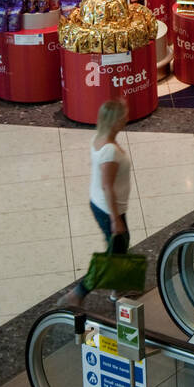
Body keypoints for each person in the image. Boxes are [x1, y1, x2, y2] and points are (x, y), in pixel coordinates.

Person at [61, 100, 131, 307]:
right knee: (114, 252)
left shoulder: (99, 138)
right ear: (115, 121)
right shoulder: (109, 150)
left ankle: (117, 289)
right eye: (123, 116)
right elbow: (107, 186)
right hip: (109, 208)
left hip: (103, 204)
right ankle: (78, 293)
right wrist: (115, 218)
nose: (127, 119)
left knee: (120, 246)